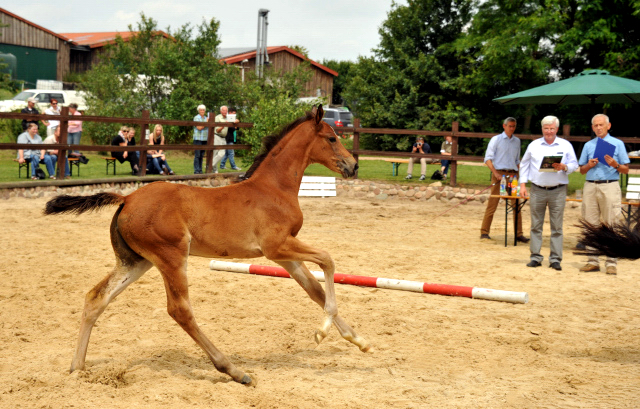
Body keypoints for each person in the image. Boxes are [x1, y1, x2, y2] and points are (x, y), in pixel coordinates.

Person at [519, 116, 578, 271]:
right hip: (537, 189)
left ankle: (555, 259)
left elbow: (574, 165)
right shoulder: (534, 145)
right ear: (542, 129)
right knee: (535, 225)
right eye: (546, 128)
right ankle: (535, 257)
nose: (549, 131)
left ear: (557, 129)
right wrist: (522, 184)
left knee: (557, 227)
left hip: (558, 190)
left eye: (552, 128)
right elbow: (524, 164)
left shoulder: (565, 145)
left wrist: (564, 167)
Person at [577, 114, 630, 275]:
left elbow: (626, 169)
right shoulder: (588, 145)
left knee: (611, 223)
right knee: (590, 224)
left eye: (601, 125)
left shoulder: (617, 144)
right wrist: (588, 165)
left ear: (608, 126)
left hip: (610, 186)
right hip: (591, 186)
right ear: (592, 127)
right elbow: (581, 170)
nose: (599, 128)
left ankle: (611, 262)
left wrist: (616, 165)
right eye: (596, 125)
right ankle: (592, 261)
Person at [480, 117, 528, 242]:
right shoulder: (496, 139)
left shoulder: (517, 141)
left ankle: (519, 233)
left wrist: (521, 175)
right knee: (493, 203)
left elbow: (517, 160)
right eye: (510, 126)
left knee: (516, 204)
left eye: (514, 126)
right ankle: (484, 231)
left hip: (513, 176)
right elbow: (488, 159)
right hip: (499, 175)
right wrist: (495, 173)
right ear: (504, 126)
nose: (512, 128)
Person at [213, 105, 239, 173]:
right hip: (217, 136)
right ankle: (215, 170)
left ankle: (211, 164)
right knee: (215, 154)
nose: (225, 112)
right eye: (223, 110)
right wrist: (224, 125)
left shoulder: (229, 118)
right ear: (220, 111)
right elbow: (217, 130)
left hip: (224, 138)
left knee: (222, 153)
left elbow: (234, 127)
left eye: (226, 110)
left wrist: (236, 122)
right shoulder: (217, 118)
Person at [193, 104, 208, 174]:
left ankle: (200, 170)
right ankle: (196, 170)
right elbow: (199, 127)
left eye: (203, 110)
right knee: (197, 155)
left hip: (205, 139)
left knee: (202, 155)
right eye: (201, 110)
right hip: (198, 138)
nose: (202, 111)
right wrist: (206, 123)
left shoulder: (206, 118)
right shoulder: (196, 118)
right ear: (198, 111)